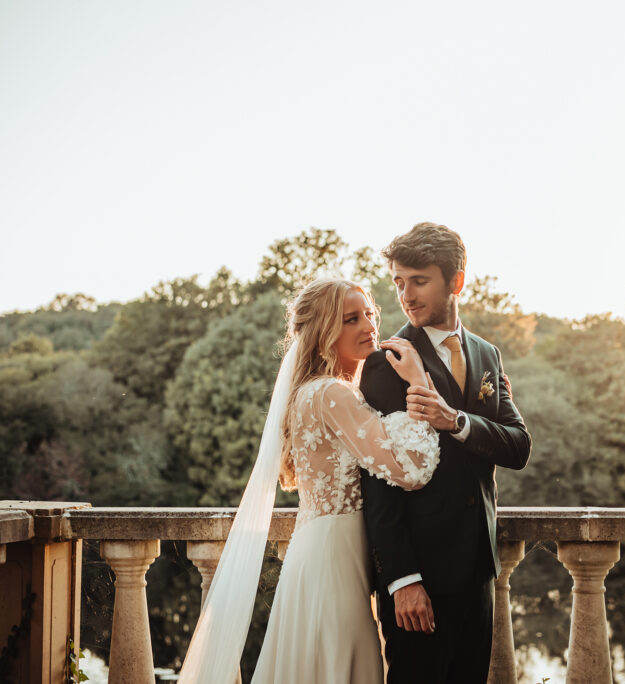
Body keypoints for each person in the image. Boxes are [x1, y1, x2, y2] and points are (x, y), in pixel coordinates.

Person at [178, 278, 442, 684]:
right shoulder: (332, 394)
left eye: (369, 313)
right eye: (351, 319)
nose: (369, 325)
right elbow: (411, 470)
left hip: (317, 550)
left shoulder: (311, 392)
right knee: (338, 664)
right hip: (334, 559)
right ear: (323, 333)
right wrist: (420, 383)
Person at [360, 222, 532, 684]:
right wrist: (402, 579)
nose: (406, 295)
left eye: (419, 280)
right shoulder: (386, 363)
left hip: (478, 569)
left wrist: (455, 422)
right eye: (399, 282)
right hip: (421, 580)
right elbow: (378, 484)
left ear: (456, 281)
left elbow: (518, 447)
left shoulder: (486, 355)